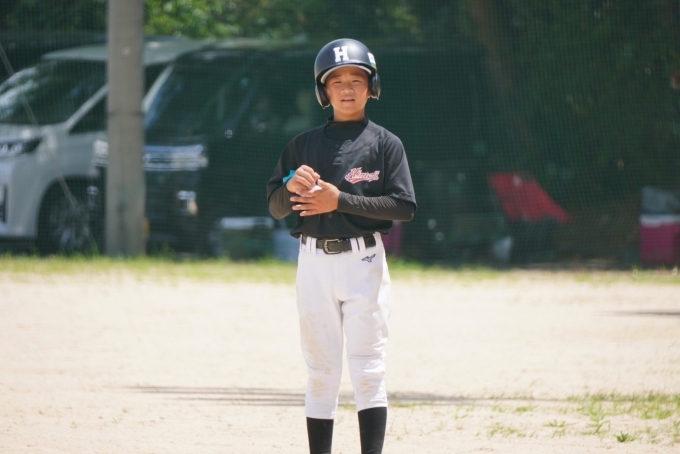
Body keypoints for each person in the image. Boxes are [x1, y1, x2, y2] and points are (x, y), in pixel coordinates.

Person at [266, 38, 416, 454]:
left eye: (356, 79)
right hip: (314, 263)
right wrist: (289, 188)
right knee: (321, 372)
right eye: (336, 81)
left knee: (368, 369)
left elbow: (404, 207)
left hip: (363, 260)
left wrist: (341, 201)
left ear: (372, 87)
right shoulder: (302, 146)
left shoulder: (385, 144)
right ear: (323, 91)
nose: (347, 88)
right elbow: (276, 206)